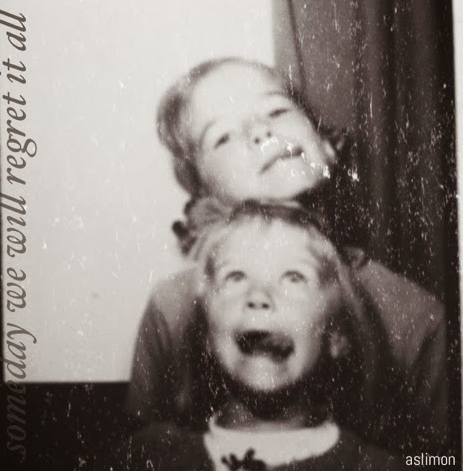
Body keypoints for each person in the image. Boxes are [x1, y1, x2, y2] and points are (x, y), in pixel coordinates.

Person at [126, 57, 447, 456]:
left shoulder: (413, 316)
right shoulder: (175, 306)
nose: (261, 131)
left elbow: (438, 459)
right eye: (223, 136)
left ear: (325, 143)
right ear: (203, 189)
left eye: (277, 111)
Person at [121, 202, 404, 470]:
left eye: (294, 277)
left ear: (336, 334)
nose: (259, 296)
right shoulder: (147, 458)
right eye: (235, 276)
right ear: (206, 331)